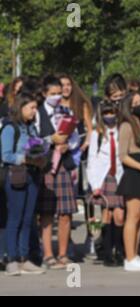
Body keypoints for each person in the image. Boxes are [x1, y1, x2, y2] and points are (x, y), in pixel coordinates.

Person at [36, 75, 79, 270]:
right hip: (45, 164)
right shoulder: (37, 113)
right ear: (44, 94)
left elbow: (76, 137)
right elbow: (33, 140)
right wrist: (50, 140)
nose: (56, 97)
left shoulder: (67, 111)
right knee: (46, 213)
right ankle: (47, 253)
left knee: (65, 212)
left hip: (63, 163)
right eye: (52, 94)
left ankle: (63, 253)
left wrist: (67, 145)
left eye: (59, 93)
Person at [1, 93, 46, 276]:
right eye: (31, 108)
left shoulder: (31, 128)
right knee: (14, 218)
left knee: (28, 219)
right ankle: (11, 259)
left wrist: (42, 153)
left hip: (33, 176)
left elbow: (37, 146)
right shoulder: (10, 128)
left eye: (36, 108)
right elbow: (5, 155)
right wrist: (26, 159)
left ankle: (24, 258)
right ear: (21, 108)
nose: (34, 112)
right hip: (16, 176)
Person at [117, 92, 140, 272]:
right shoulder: (126, 125)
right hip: (134, 173)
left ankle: (136, 252)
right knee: (132, 216)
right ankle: (129, 257)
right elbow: (123, 156)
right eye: (136, 102)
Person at [87, 100, 125, 267]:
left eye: (112, 113)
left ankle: (120, 250)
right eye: (106, 113)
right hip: (103, 177)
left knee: (120, 215)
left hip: (119, 176)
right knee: (106, 215)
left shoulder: (121, 131)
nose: (110, 116)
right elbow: (92, 159)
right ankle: (107, 252)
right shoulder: (97, 134)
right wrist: (94, 183)